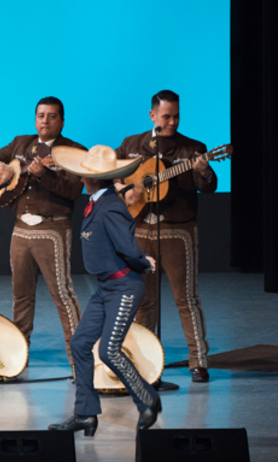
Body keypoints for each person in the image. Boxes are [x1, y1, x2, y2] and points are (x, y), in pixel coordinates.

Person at [49, 145, 159, 436]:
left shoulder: (110, 205)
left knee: (109, 350)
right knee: (81, 344)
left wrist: (143, 263)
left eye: (85, 174)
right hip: (105, 288)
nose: (81, 177)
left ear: (94, 180)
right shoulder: (99, 201)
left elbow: (126, 245)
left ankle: (148, 400)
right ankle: (85, 414)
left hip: (124, 287)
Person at [116, 89, 217, 382]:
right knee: (143, 301)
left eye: (176, 116)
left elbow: (207, 186)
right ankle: (144, 359)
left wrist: (205, 170)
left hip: (178, 230)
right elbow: (112, 174)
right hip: (141, 230)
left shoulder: (193, 148)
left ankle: (198, 361)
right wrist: (126, 190)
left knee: (185, 298)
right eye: (166, 116)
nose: (172, 122)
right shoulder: (131, 144)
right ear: (152, 115)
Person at [0, 97, 85, 366]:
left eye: (51, 116)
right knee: (21, 294)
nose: (44, 121)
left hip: (53, 228)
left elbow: (74, 190)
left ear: (61, 121)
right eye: (40, 115)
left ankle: (78, 357)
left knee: (62, 293)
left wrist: (44, 175)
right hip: (21, 228)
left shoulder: (74, 150)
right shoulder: (21, 143)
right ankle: (19, 350)